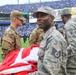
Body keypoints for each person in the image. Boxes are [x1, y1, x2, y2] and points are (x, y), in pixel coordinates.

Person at [27, 6, 67, 75]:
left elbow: (48, 72)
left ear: (52, 18)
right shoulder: (48, 36)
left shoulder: (54, 39)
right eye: (38, 17)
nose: (39, 19)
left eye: (43, 16)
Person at [60, 8, 76, 75]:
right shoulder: (73, 23)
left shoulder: (69, 25)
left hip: (72, 63)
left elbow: (73, 45)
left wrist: (63, 56)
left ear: (62, 17)